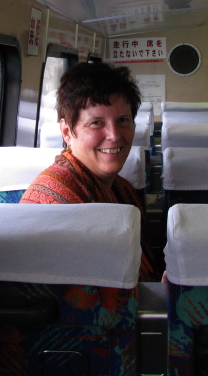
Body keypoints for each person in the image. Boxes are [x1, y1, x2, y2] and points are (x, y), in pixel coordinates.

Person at [21, 62, 161, 282]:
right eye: (96, 123)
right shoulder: (57, 205)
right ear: (67, 131)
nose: (114, 136)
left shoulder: (121, 188)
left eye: (123, 120)